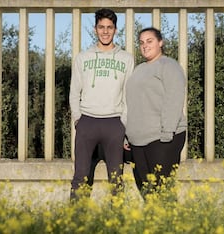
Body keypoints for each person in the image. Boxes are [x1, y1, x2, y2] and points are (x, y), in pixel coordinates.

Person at [69, 8, 134, 200]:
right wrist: (78, 119)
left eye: (110, 27)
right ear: (95, 29)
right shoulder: (83, 58)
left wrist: (124, 123)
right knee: (80, 175)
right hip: (87, 121)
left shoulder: (126, 58)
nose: (105, 31)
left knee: (116, 178)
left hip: (114, 123)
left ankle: (117, 222)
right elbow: (74, 91)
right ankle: (76, 222)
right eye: (101, 27)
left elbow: (128, 95)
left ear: (115, 30)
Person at [125, 27, 187, 197]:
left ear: (160, 43)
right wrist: (128, 134)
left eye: (150, 41)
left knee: (162, 189)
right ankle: (154, 224)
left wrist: (167, 132)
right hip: (138, 140)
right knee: (147, 191)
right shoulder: (137, 71)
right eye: (142, 42)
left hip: (162, 138)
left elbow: (174, 98)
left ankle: (169, 224)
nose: (145, 45)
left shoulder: (169, 66)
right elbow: (131, 103)